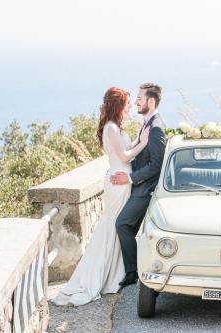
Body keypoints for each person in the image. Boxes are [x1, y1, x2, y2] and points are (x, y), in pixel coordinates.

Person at [52, 87, 150, 306]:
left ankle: (116, 273)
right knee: (112, 226)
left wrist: (137, 139)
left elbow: (124, 150)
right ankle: (99, 276)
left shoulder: (115, 128)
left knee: (116, 227)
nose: (129, 106)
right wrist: (143, 143)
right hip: (118, 182)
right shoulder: (111, 128)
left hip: (121, 179)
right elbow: (124, 157)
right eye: (126, 102)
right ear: (118, 105)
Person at [110, 83, 167, 287]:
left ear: (151, 101)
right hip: (138, 187)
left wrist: (130, 178)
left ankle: (133, 272)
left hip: (145, 189)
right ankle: (130, 269)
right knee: (126, 227)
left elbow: (156, 165)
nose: (136, 101)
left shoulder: (156, 127)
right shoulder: (147, 123)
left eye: (140, 98)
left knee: (123, 224)